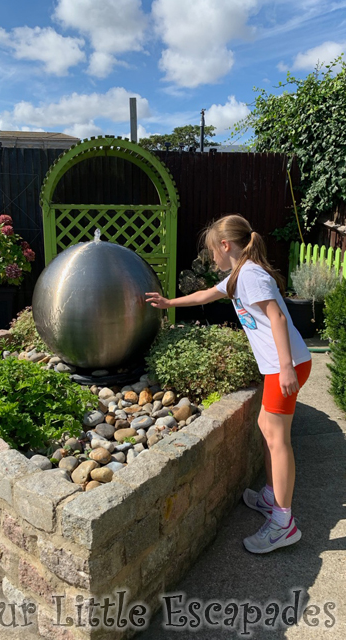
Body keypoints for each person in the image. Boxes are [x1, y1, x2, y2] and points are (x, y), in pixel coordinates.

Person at [145, 214, 312, 554]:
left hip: (287, 365)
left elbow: (278, 317)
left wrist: (285, 368)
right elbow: (205, 295)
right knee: (267, 427)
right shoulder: (239, 275)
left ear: (226, 245)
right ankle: (271, 496)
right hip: (283, 366)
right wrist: (168, 304)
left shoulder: (249, 274)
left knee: (278, 439)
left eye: (212, 251)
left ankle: (283, 524)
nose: (211, 258)